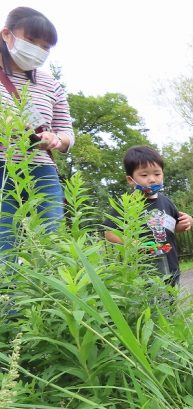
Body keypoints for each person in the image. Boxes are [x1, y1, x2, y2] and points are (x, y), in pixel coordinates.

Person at [0, 7, 74, 254]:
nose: (38, 50)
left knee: (52, 238)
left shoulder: (50, 84)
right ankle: (7, 292)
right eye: (31, 41)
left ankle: (52, 291)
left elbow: (66, 132)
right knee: (5, 239)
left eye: (45, 46)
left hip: (42, 169)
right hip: (3, 165)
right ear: (7, 35)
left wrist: (56, 139)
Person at [104, 146, 193, 286]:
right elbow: (109, 233)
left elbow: (176, 226)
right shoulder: (126, 204)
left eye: (157, 174)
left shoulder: (166, 202)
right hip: (140, 272)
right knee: (148, 305)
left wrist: (188, 221)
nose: (152, 179)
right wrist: (132, 243)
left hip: (170, 267)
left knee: (169, 305)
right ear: (130, 179)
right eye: (144, 175)